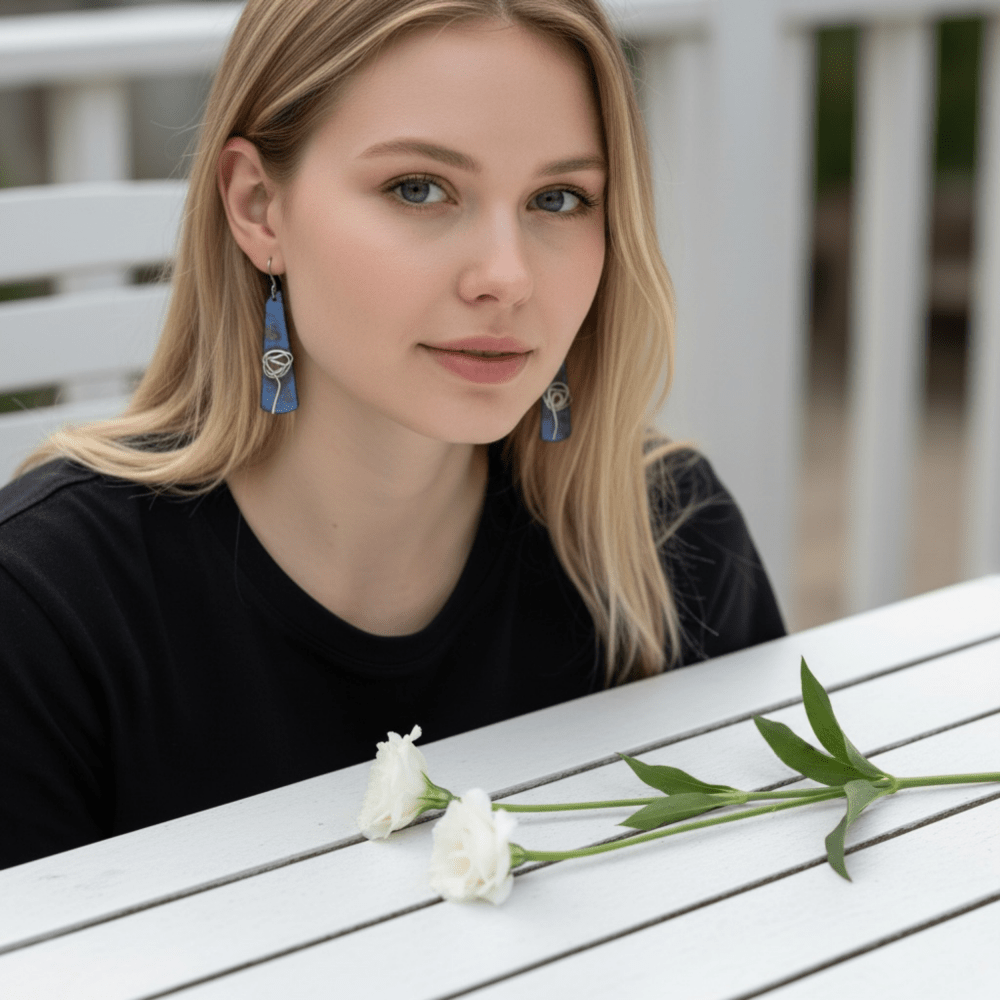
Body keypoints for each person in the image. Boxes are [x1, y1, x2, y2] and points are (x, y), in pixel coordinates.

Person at [0, 0, 784, 871]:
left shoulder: (670, 540)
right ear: (259, 207)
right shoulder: (41, 609)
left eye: (558, 199)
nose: (507, 277)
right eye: (419, 189)